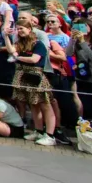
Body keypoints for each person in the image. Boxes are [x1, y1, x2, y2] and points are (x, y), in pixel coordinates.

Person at [8, 18, 56, 146]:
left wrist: (17, 58)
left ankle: (50, 135)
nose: (19, 31)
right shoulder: (20, 43)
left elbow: (34, 59)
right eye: (18, 29)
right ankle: (38, 130)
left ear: (29, 29)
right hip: (24, 76)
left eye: (22, 28)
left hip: (36, 76)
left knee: (45, 105)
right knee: (33, 104)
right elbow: (11, 50)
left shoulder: (38, 44)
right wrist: (6, 36)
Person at [44, 13, 75, 144]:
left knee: (61, 99)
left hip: (61, 69)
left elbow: (67, 54)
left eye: (53, 21)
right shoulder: (45, 36)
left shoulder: (65, 37)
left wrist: (50, 51)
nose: (50, 23)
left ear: (60, 23)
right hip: (47, 69)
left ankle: (62, 126)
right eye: (48, 21)